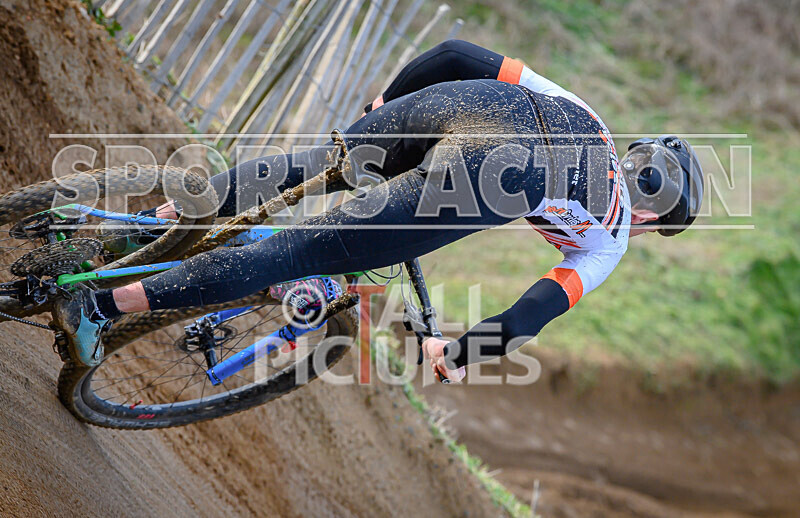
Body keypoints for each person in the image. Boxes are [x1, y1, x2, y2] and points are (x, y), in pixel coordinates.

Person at [54, 40, 704, 380]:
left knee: (307, 169)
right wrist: (456, 352)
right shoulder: (611, 238)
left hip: (459, 103)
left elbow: (454, 53)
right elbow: (526, 319)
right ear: (649, 219)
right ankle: (95, 307)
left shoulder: (588, 115)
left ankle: (157, 225)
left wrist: (383, 105)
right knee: (297, 252)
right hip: (491, 175)